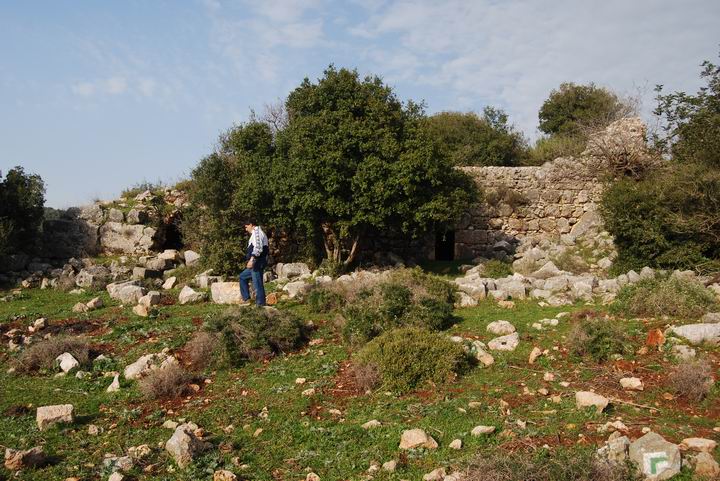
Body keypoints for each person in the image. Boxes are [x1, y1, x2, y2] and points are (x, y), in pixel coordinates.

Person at [239, 219, 269, 306]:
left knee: (257, 282)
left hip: (258, 261)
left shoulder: (257, 233)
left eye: (246, 227)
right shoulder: (255, 234)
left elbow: (258, 248)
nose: (246, 229)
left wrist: (252, 259)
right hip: (255, 261)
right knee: (242, 277)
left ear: (251, 225)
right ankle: (246, 299)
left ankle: (260, 304)